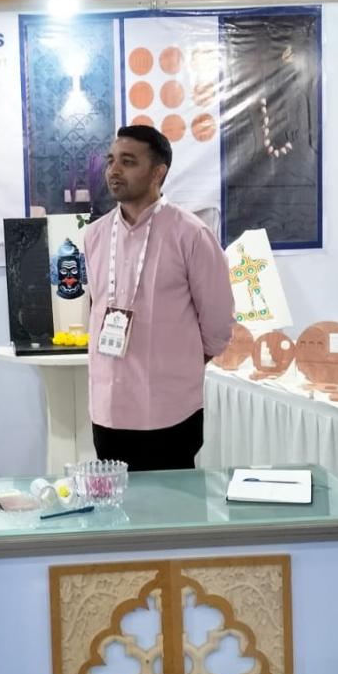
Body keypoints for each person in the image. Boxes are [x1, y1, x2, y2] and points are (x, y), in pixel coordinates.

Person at [83, 125, 234, 472]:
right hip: (109, 408)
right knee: (115, 501)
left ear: (158, 173)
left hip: (169, 410)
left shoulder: (190, 234)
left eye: (128, 162)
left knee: (172, 503)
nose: (113, 170)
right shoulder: (95, 235)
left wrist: (177, 363)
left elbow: (218, 322)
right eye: (111, 160)